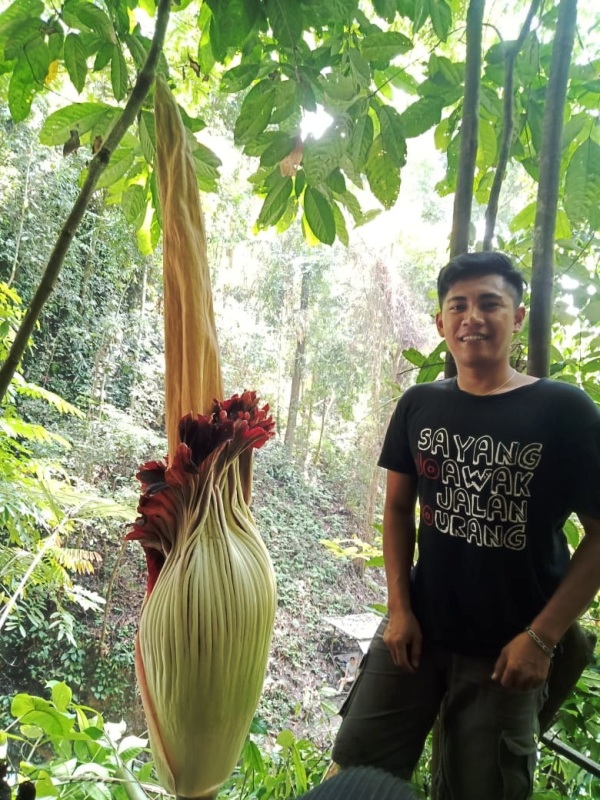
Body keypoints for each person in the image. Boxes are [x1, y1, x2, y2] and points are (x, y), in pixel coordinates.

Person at [332, 252, 600, 800]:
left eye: (489, 303)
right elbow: (397, 510)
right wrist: (400, 610)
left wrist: (542, 638)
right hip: (415, 635)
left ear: (518, 317)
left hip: (508, 653)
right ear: (440, 323)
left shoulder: (565, 410)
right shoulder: (419, 404)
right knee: (355, 776)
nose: (471, 316)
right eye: (458, 305)